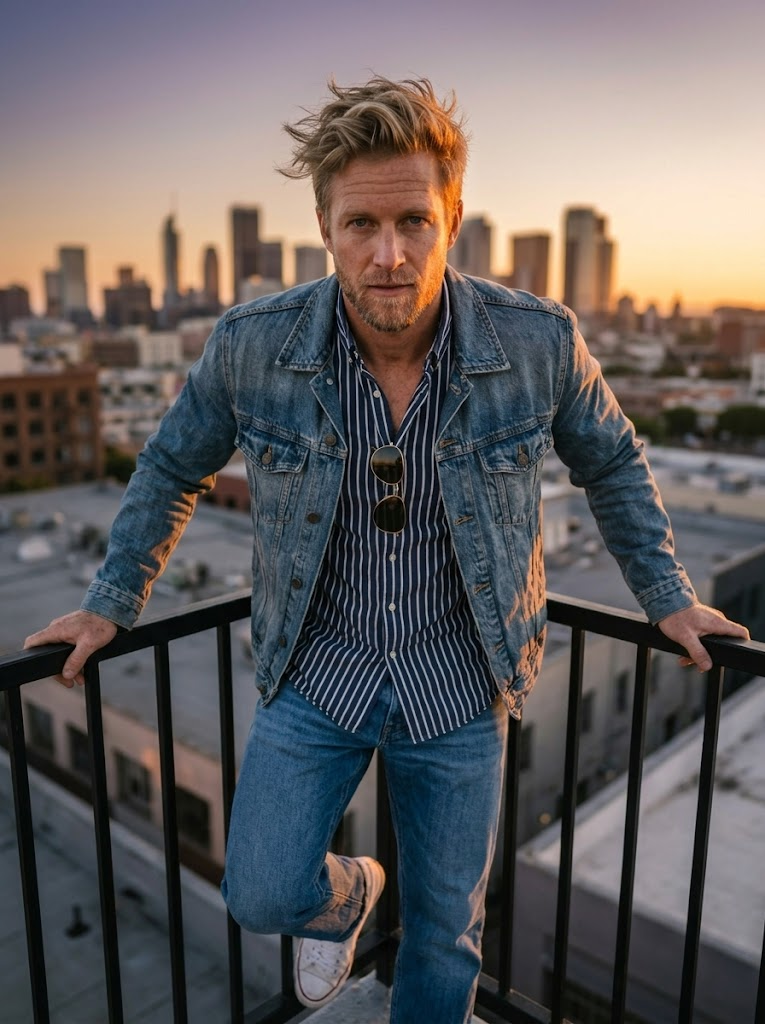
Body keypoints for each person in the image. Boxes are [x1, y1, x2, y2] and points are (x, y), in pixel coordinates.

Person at [25, 77, 748, 1023]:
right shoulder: (255, 345)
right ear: (324, 227)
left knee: (448, 933)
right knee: (261, 890)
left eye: (414, 220)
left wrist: (667, 595)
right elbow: (169, 468)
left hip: (460, 679)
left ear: (453, 218)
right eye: (360, 225)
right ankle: (354, 896)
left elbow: (611, 463)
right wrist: (109, 602)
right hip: (318, 669)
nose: (389, 255)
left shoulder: (537, 341)